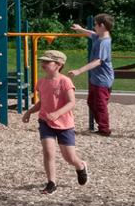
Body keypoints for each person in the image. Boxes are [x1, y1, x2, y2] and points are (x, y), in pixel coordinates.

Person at [21, 50, 96, 194]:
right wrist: (30, 112)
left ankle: (80, 166)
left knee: (69, 157)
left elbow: (71, 102)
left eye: (47, 62)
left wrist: (57, 113)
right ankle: (51, 183)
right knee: (48, 152)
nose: (43, 64)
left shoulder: (65, 81)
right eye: (42, 61)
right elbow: (42, 102)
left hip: (64, 125)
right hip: (45, 122)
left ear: (58, 65)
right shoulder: (41, 82)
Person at [69, 13, 116, 135]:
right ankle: (101, 126)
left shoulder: (104, 42)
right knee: (91, 102)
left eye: (96, 24)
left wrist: (79, 71)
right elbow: (91, 34)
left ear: (102, 26)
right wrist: (80, 29)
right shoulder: (99, 36)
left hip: (103, 80)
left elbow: (98, 61)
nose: (94, 26)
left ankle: (104, 130)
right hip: (96, 79)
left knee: (100, 105)